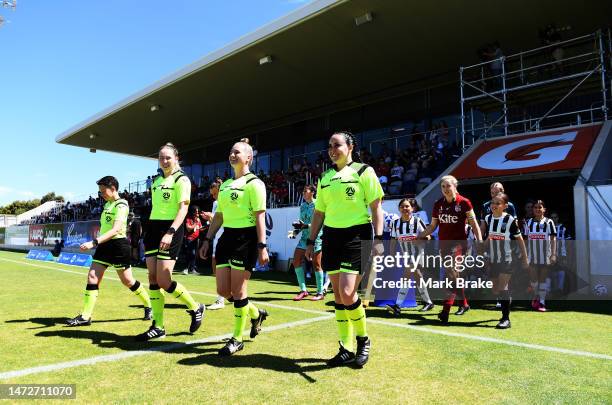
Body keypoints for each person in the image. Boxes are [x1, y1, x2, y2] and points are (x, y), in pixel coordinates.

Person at [305, 130, 384, 368]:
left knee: (349, 292)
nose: (332, 149)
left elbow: (376, 207)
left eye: (337, 145)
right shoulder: (325, 177)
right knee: (338, 295)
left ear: (350, 147)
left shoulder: (364, 171)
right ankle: (345, 348)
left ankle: (363, 340)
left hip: (357, 234)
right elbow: (319, 212)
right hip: (331, 236)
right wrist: (311, 241)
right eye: (329, 145)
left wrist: (379, 238)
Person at [199, 138, 269, 356]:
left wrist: (262, 246)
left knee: (239, 291)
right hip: (226, 237)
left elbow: (260, 217)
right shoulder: (226, 185)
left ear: (248, 158)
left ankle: (237, 339)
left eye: (237, 152)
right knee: (223, 291)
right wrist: (208, 239)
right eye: (231, 152)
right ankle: (256, 314)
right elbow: (219, 216)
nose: (232, 155)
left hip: (245, 239)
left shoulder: (255, 184)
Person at [136, 143, 205, 341]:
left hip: (171, 228)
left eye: (168, 157)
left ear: (176, 158)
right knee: (152, 278)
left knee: (164, 280)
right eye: (161, 158)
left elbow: (182, 209)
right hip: (153, 229)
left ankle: (195, 307)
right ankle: (158, 326)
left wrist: (171, 231)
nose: (164, 161)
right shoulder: (156, 181)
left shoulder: (182, 179)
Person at [66, 176, 152, 326]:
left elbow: (116, 229)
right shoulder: (107, 205)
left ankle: (148, 305)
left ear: (113, 189)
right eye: (100, 191)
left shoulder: (122, 205)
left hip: (118, 246)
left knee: (127, 281)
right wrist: (98, 240)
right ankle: (86, 316)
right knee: (92, 276)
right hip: (104, 245)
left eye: (103, 191)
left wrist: (94, 242)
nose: (101, 194)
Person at [418, 175, 482, 323]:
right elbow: (433, 226)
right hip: (443, 245)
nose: (446, 189)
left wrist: (478, 240)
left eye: (448, 186)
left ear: (455, 186)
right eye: (443, 187)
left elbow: (474, 225)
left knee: (451, 276)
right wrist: (420, 235)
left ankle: (445, 310)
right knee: (455, 277)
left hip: (459, 245)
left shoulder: (465, 203)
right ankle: (464, 304)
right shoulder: (438, 204)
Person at [483, 193, 529, 329]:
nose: (494, 206)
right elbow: (488, 238)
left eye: (498, 203)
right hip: (492, 259)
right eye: (492, 203)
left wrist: (525, 258)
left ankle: (506, 319)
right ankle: (506, 302)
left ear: (505, 206)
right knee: (495, 290)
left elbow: (520, 240)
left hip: (507, 259)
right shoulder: (487, 218)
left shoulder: (509, 220)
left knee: (503, 288)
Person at [387, 198, 434, 316]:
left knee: (407, 274)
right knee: (417, 275)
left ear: (412, 208)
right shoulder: (395, 223)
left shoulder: (418, 221)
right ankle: (428, 302)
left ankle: (397, 305)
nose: (405, 208)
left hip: (418, 253)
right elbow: (393, 240)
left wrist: (420, 239)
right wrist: (391, 254)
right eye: (402, 206)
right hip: (406, 255)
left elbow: (429, 237)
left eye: (407, 206)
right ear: (399, 209)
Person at [289, 184, 325, 301]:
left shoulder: (319, 204)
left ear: (312, 192)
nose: (303, 193)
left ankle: (320, 293)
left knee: (317, 264)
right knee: (296, 261)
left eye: (306, 191)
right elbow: (302, 223)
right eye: (303, 191)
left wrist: (306, 225)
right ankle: (303, 290)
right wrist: (294, 233)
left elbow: (321, 223)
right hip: (304, 239)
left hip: (316, 238)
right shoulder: (303, 205)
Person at [525, 200, 557, 312]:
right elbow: (525, 239)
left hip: (545, 255)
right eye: (535, 207)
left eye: (540, 207)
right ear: (533, 210)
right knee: (533, 279)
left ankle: (542, 302)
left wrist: (553, 254)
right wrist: (524, 255)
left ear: (544, 209)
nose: (537, 209)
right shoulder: (528, 222)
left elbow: (553, 239)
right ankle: (535, 296)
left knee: (543, 279)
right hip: (532, 255)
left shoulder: (549, 222)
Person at [182, 205, 202, 275]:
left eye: (198, 211)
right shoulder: (189, 219)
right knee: (190, 253)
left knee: (194, 254)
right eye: (196, 211)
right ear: (192, 211)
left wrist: (206, 227)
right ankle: (186, 269)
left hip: (196, 239)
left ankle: (192, 269)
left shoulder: (198, 219)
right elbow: (188, 228)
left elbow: (200, 228)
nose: (197, 213)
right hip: (190, 239)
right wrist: (196, 223)